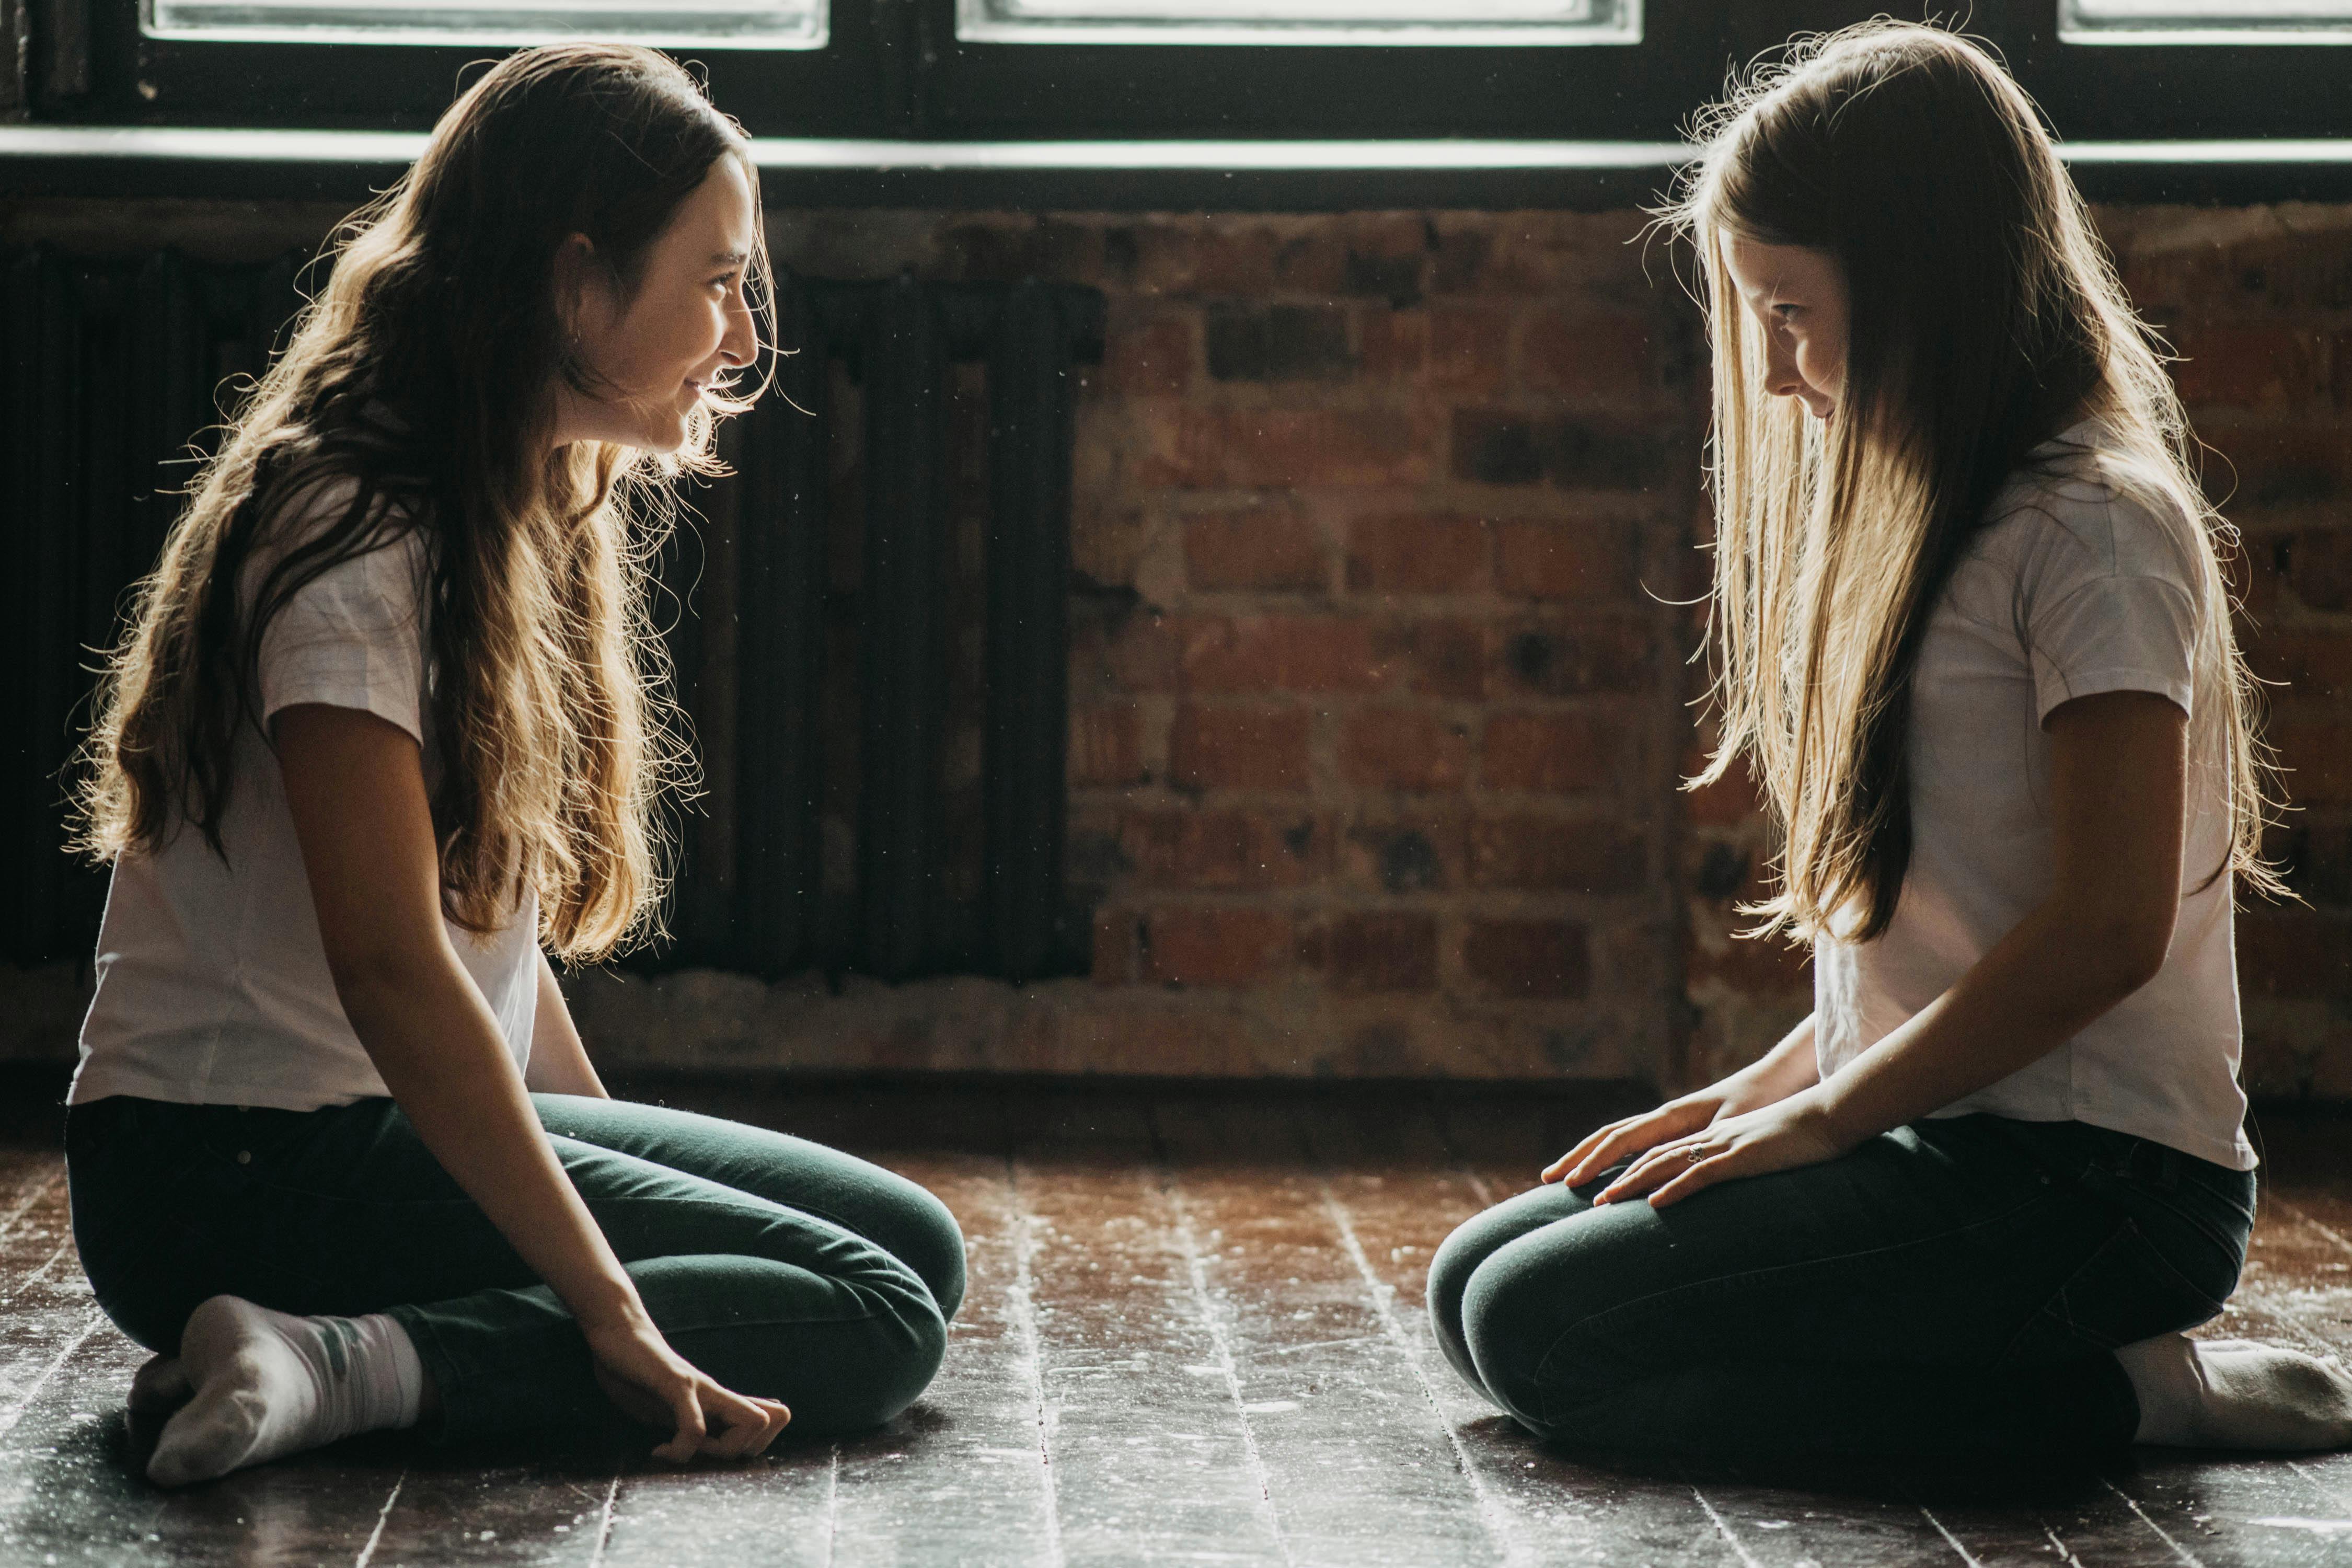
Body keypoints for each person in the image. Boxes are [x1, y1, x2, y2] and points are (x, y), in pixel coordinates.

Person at [1428, 21, 2352, 1463]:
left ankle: (2140, 1393)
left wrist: (1824, 1127)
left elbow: (2104, 930)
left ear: (1922, 281)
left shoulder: (2093, 526)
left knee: (1543, 1335)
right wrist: (1763, 1094)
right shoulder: (1947, 506)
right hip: (1950, 1130)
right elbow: (1950, 932)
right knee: (1474, 1287)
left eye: (1788, 312)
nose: (1780, 375)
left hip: (2099, 1184)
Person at [64, 42, 963, 1489]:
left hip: (349, 1131)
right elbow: (393, 966)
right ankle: (334, 1362)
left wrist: (623, 1182)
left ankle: (324, 1340)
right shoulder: (353, 531)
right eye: (717, 280)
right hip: (224, 1172)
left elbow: (480, 932)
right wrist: (609, 1300)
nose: (740, 339)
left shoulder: (504, 494)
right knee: (875, 1316)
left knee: (915, 1247)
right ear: (572, 283)